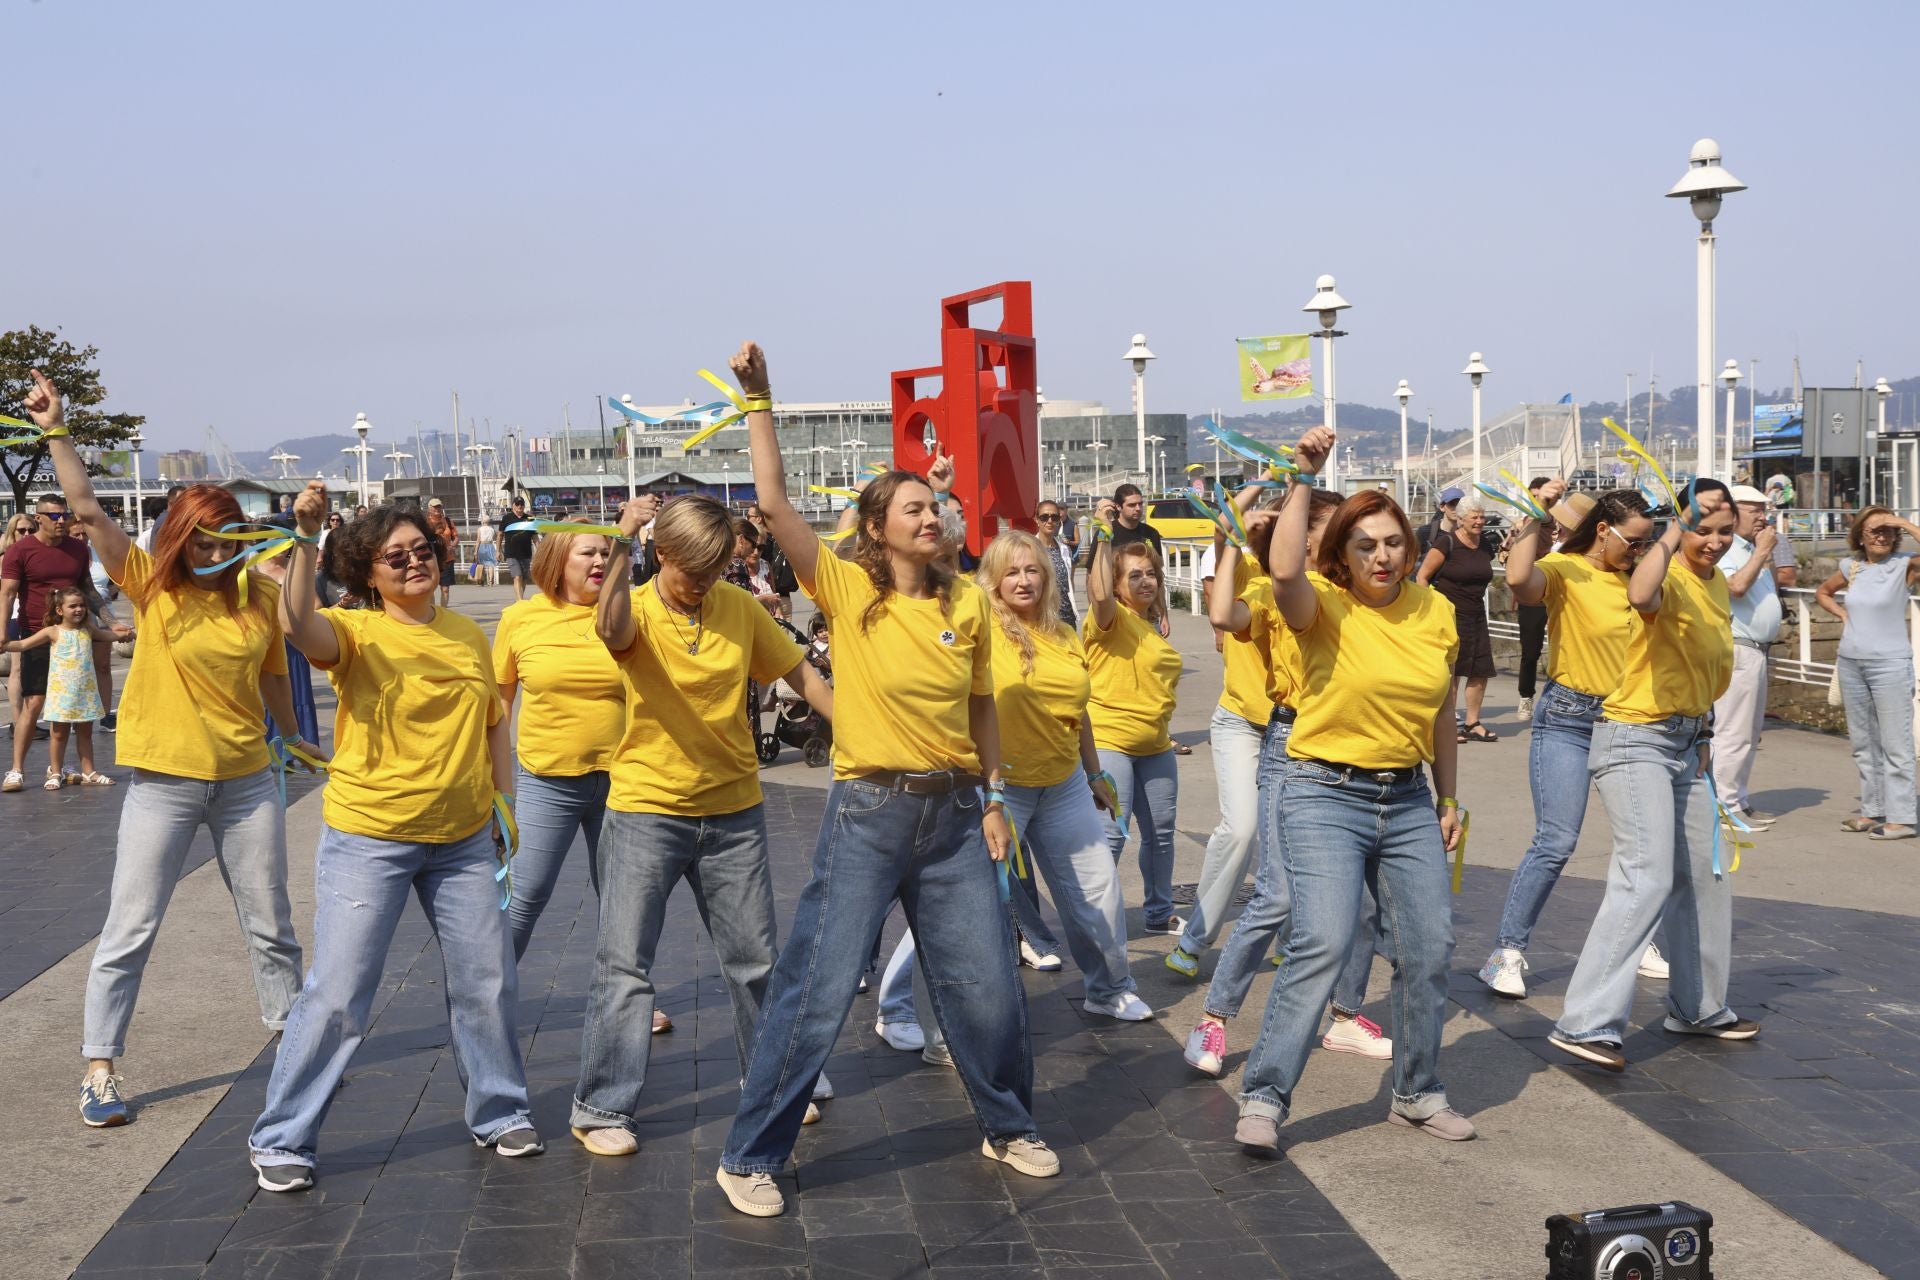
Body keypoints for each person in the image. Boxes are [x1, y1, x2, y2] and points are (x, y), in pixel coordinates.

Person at [720, 341, 1057, 1219]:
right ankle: (750, 1154)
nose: (933, 515)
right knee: (820, 985)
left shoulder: (968, 602)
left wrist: (993, 795)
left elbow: (983, 705)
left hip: (954, 815)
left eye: (937, 504)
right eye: (914, 507)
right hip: (869, 812)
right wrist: (761, 398)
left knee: (985, 983)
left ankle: (1008, 1123)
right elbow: (772, 503)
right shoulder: (843, 588)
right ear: (878, 528)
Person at [22, 369, 313, 1129]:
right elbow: (85, 508)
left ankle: (293, 1044)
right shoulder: (151, 582)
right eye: (204, 533)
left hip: (249, 781)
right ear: (183, 535)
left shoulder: (255, 594)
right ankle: (100, 1067)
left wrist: (303, 744)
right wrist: (58, 427)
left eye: (227, 532)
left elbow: (278, 677)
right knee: (130, 926)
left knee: (270, 921)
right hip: (164, 781)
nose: (217, 544)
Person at [251, 484, 539, 1191]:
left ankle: (498, 1109)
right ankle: (283, 1136)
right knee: (340, 992)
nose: (413, 562)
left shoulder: (470, 634)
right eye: (393, 557)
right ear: (368, 574)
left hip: (465, 836)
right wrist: (305, 536)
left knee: (487, 980)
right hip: (371, 836)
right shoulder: (354, 631)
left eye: (421, 550)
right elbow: (296, 624)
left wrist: (505, 807)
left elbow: (494, 724)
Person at [572, 493, 833, 1157]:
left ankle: (770, 1081)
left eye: (718, 567)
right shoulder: (636, 607)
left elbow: (799, 671)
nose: (704, 582)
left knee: (754, 960)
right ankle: (601, 1107)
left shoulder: (739, 608)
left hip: (733, 808)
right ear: (663, 556)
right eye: (694, 570)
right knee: (625, 965)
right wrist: (620, 542)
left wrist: (855, 722)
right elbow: (609, 629)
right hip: (646, 810)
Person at [1236, 427, 1472, 1149]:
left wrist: (1447, 798)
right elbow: (1280, 575)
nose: (1382, 555)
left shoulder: (1435, 612)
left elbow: (1438, 714)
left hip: (1404, 799)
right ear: (1340, 553)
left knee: (1429, 947)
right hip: (1322, 792)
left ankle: (1417, 1090)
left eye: (1393, 541)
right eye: (1365, 544)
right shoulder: (1323, 608)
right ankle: (1266, 1096)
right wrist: (1301, 475)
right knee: (1323, 940)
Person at [1184, 485, 1395, 1076]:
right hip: (1289, 743)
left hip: (1353, 749)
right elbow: (1223, 616)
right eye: (1326, 532)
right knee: (1277, 894)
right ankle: (1215, 1019)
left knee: (1359, 903)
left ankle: (1346, 1015)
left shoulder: (1362, 599)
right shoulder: (1278, 592)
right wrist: (1234, 541)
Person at [1549, 480, 1758, 1073]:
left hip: (1687, 741)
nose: (1715, 542)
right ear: (1680, 526)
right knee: (1646, 875)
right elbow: (1642, 597)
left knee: (1706, 876)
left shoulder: (1715, 582)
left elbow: (1704, 664)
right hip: (1633, 736)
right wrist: (1669, 533)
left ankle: (1697, 1007)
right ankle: (1585, 1021)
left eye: (1725, 530)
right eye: (1703, 528)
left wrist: (1706, 737)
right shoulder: (1659, 569)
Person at [1477, 490, 1660, 1000]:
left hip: (1631, 720)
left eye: (1649, 543)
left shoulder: (1639, 578)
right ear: (1604, 529)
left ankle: (1635, 941)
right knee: (1556, 840)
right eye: (1634, 541)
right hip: (1570, 719)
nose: (1640, 552)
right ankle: (1506, 953)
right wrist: (1536, 517)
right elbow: (1518, 580)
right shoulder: (1566, 569)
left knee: (1640, 848)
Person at [976, 530, 1148, 1021]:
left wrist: (1095, 774)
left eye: (1033, 570)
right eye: (1011, 571)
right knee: (969, 904)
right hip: (1000, 789)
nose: (1024, 581)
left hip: (1065, 783)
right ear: (992, 580)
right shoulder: (982, 626)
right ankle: (899, 1006)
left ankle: (1110, 988)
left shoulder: (1063, 633)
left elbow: (1080, 711)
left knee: (1099, 891)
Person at [494, 515, 642, 959]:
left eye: (605, 552)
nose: (599, 560)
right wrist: (495, 786)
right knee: (525, 895)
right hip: (548, 780)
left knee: (623, 902)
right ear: (559, 560)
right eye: (588, 552)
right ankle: (489, 998)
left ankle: (629, 998)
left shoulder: (629, 614)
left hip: (624, 782)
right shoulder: (521, 618)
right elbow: (499, 705)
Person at [1167, 485, 1270, 978]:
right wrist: (1262, 487)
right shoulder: (1251, 573)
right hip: (1241, 722)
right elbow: (1224, 531)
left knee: (1286, 841)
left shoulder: (1327, 587)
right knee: (1241, 829)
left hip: (1298, 732)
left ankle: (1293, 940)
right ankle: (1193, 939)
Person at [1084, 502, 1183, 936]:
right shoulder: (1110, 619)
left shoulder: (1151, 625)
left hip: (1156, 746)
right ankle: (1097, 921)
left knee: (1161, 836)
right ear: (1119, 584)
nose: (1146, 581)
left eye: (1151, 574)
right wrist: (1104, 537)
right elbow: (1100, 594)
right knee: (1112, 838)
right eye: (1135, 575)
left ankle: (1159, 913)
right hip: (1110, 741)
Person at [1814, 506, 1920, 840]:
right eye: (1875, 530)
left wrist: (1903, 521)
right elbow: (1822, 592)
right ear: (1861, 535)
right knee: (1863, 742)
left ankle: (1902, 817)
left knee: (1896, 742)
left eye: (1888, 530)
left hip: (1890, 664)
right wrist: (1842, 615)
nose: (1882, 535)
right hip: (1851, 663)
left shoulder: (1905, 567)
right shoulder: (1852, 567)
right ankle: (1873, 809)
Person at [2, 494, 95, 790]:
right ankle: (16, 769)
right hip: (37, 632)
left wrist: (110, 619)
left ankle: (58, 766)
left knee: (70, 704)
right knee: (35, 701)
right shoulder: (21, 550)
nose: (60, 521)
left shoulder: (78, 549)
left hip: (73, 637)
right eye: (53, 516)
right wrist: (2, 630)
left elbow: (87, 589)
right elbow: (7, 593)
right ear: (38, 517)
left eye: (63, 515)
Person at [1710, 486, 1787, 829]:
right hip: (1738, 647)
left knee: (1749, 731)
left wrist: (1762, 554)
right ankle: (1723, 804)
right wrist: (1762, 552)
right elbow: (1734, 588)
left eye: (1763, 509)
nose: (1761, 516)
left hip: (1755, 650)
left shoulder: (1748, 549)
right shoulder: (1728, 551)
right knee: (1733, 731)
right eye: (1753, 509)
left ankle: (1737, 798)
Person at [4, 586, 116, 787]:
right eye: (73, 606)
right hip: (62, 694)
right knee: (58, 733)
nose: (79, 609)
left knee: (85, 733)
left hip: (85, 693)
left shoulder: (88, 629)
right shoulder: (52, 632)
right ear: (59, 610)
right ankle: (55, 772)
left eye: (82, 605)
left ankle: (89, 771)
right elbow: (22, 645)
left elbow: (107, 636)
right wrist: (4, 644)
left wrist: (126, 633)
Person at [1416, 492, 1498, 742]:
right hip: (1449, 615)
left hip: (1476, 614)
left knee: (1479, 669)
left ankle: (1472, 722)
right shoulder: (1447, 543)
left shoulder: (1484, 544)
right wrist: (1428, 609)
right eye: (1475, 517)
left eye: (1482, 517)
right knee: (1452, 672)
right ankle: (1447, 723)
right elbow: (1422, 577)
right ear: (1461, 519)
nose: (1480, 521)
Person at [1513, 477, 1554, 719]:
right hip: (1531, 597)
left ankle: (1556, 697)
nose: (1536, 502)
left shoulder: (1553, 521)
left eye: (1540, 497)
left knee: (1566, 647)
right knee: (1530, 651)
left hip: (1560, 593)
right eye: (1532, 497)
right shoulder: (1525, 523)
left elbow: (1547, 519)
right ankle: (1526, 697)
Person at [1034, 499, 1078, 627]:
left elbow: (1067, 583)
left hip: (1067, 619)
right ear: (1036, 520)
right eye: (1044, 517)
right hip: (1042, 619)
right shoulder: (1030, 548)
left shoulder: (1064, 549)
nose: (1049, 521)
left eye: (1054, 517)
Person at [425, 498, 460, 607]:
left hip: (447, 559)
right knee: (430, 588)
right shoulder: (425, 523)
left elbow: (456, 537)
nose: (437, 509)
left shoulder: (448, 521)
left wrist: (452, 545)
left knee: (445, 588)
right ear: (429, 508)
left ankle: (444, 611)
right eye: (434, 507)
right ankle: (433, 610)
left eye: (439, 506)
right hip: (431, 558)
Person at [502, 495, 536, 601]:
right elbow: (499, 535)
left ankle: (519, 598)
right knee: (517, 576)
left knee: (524, 578)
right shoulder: (507, 518)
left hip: (526, 552)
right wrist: (497, 551)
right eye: (517, 504)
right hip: (511, 553)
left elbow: (534, 536)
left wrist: (540, 549)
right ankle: (520, 600)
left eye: (522, 504)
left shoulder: (530, 519)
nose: (520, 506)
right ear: (513, 506)